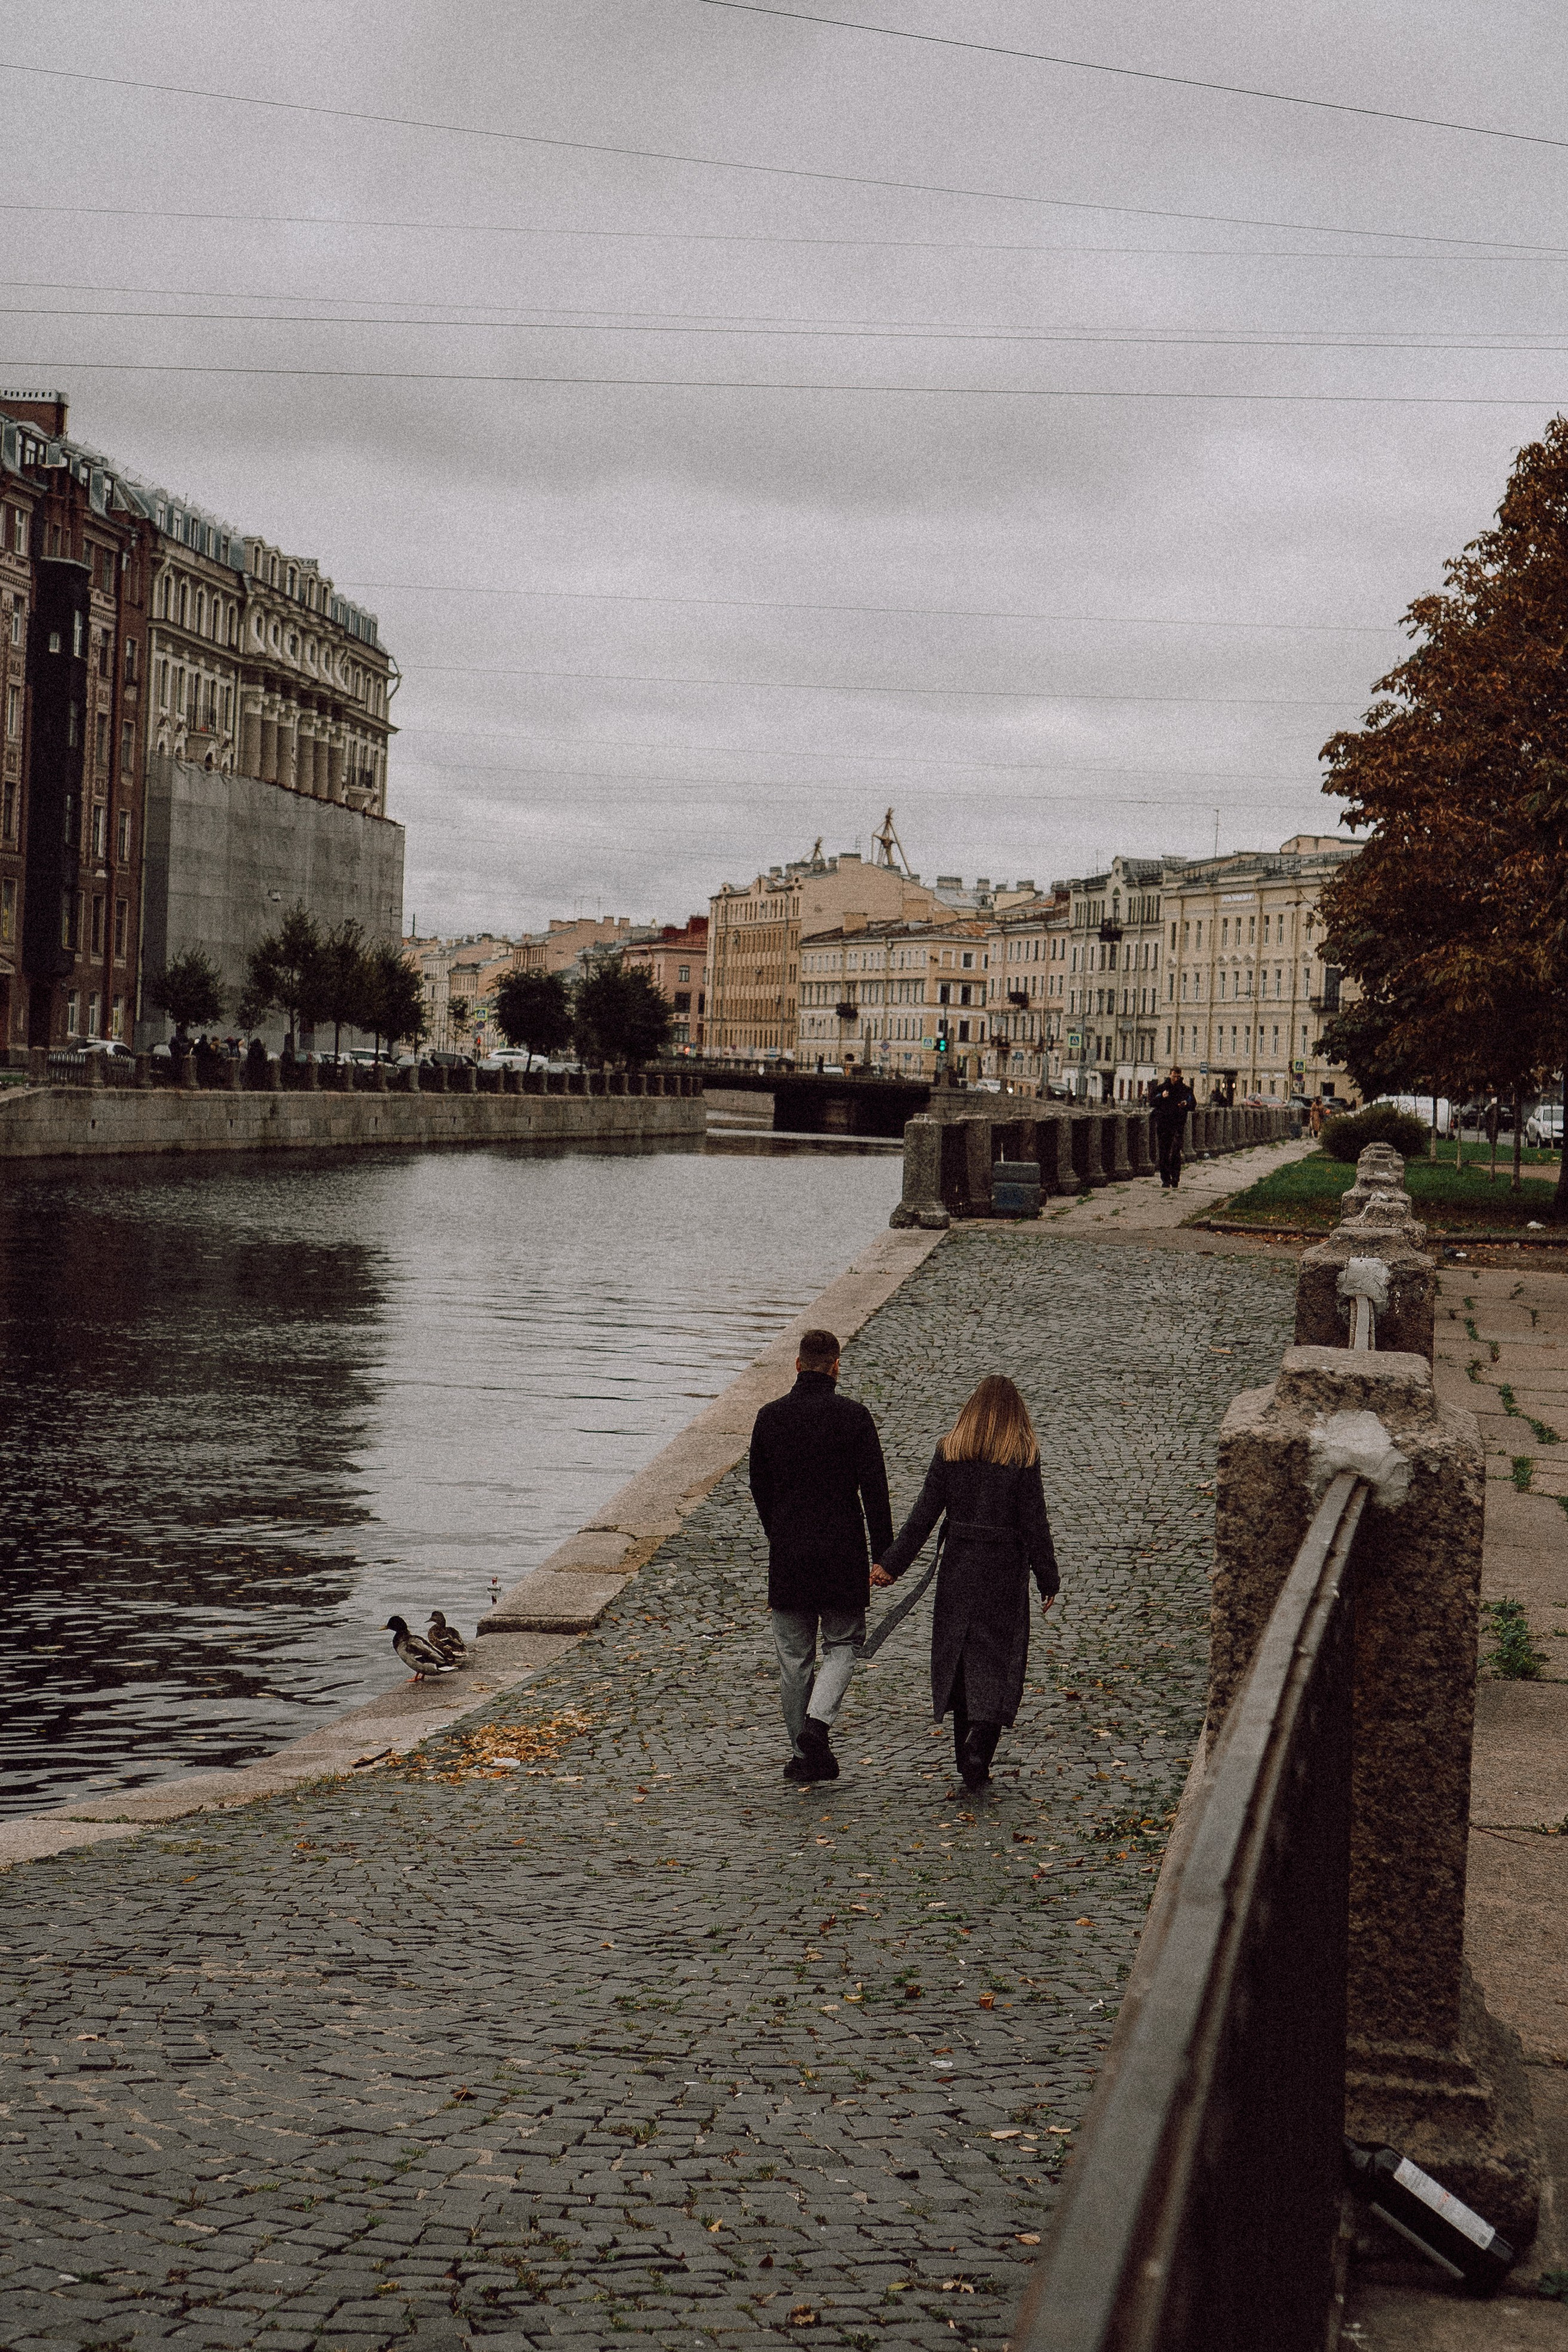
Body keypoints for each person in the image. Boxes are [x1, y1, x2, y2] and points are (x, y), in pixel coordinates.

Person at [870, 1375, 1058, 1793]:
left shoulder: (950, 1451)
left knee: (958, 1655)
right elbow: (1035, 1523)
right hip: (1004, 1571)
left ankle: (965, 1756)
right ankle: (979, 1747)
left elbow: (923, 1517)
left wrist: (891, 1565)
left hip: (958, 1568)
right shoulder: (1023, 1457)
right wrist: (1048, 1578)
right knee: (998, 1657)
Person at [748, 1326, 892, 1784]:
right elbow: (875, 1490)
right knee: (843, 1644)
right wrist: (885, 1553)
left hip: (789, 1553)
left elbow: (759, 1486)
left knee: (794, 1657)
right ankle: (817, 1725)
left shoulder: (770, 1417)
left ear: (797, 1365)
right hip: (842, 1550)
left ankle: (804, 1755)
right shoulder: (854, 1417)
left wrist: (780, 1533)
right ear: (835, 1366)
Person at [1148, 1065, 1196, 1191]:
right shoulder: (1162, 1088)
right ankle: (1165, 1180)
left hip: (1178, 1125)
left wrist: (1186, 1104)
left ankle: (1175, 1178)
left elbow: (1193, 1103)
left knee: (1176, 1152)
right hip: (1163, 1124)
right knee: (1163, 1152)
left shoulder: (1185, 1090)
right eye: (1174, 1076)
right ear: (1170, 1075)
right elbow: (1151, 1101)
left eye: (1178, 1077)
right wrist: (1162, 1097)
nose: (1176, 1078)